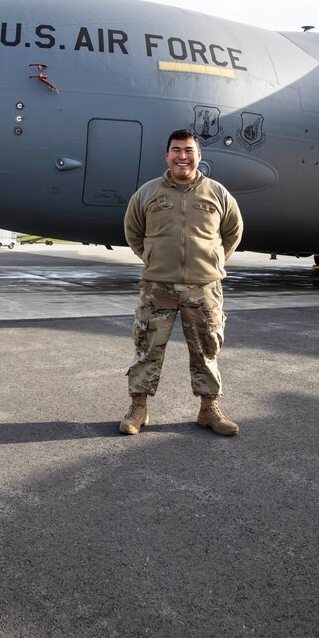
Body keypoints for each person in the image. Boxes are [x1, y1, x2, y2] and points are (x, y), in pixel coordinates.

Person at [120, 128, 243, 436]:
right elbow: (133, 232)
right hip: (157, 287)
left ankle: (208, 409)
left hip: (203, 288)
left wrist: (211, 261)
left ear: (199, 155)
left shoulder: (217, 193)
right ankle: (139, 409)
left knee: (206, 349)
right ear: (167, 155)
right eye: (176, 150)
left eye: (189, 150)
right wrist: (153, 259)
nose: (183, 156)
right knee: (147, 347)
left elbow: (232, 233)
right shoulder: (148, 193)